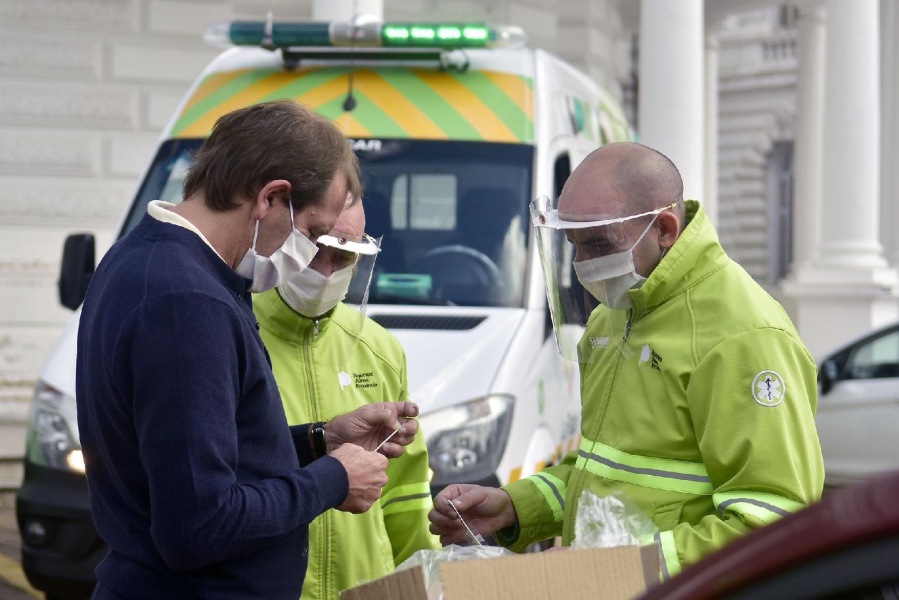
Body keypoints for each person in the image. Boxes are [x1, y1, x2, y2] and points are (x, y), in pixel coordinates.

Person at [428, 141, 824, 580]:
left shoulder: (743, 335)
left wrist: (616, 569)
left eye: (598, 244)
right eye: (574, 245)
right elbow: (602, 471)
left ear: (665, 229)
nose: (583, 264)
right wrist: (514, 507)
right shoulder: (614, 315)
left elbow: (772, 522)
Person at [76, 99, 420, 599]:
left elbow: (191, 457)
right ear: (271, 198)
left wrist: (319, 439)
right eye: (314, 233)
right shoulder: (188, 303)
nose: (313, 258)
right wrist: (333, 478)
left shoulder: (141, 259)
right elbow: (199, 525)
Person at [254, 199, 440, 600]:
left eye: (343, 257)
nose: (324, 270)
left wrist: (425, 586)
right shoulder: (236, 332)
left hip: (366, 589)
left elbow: (407, 494)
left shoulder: (379, 349)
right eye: (314, 249)